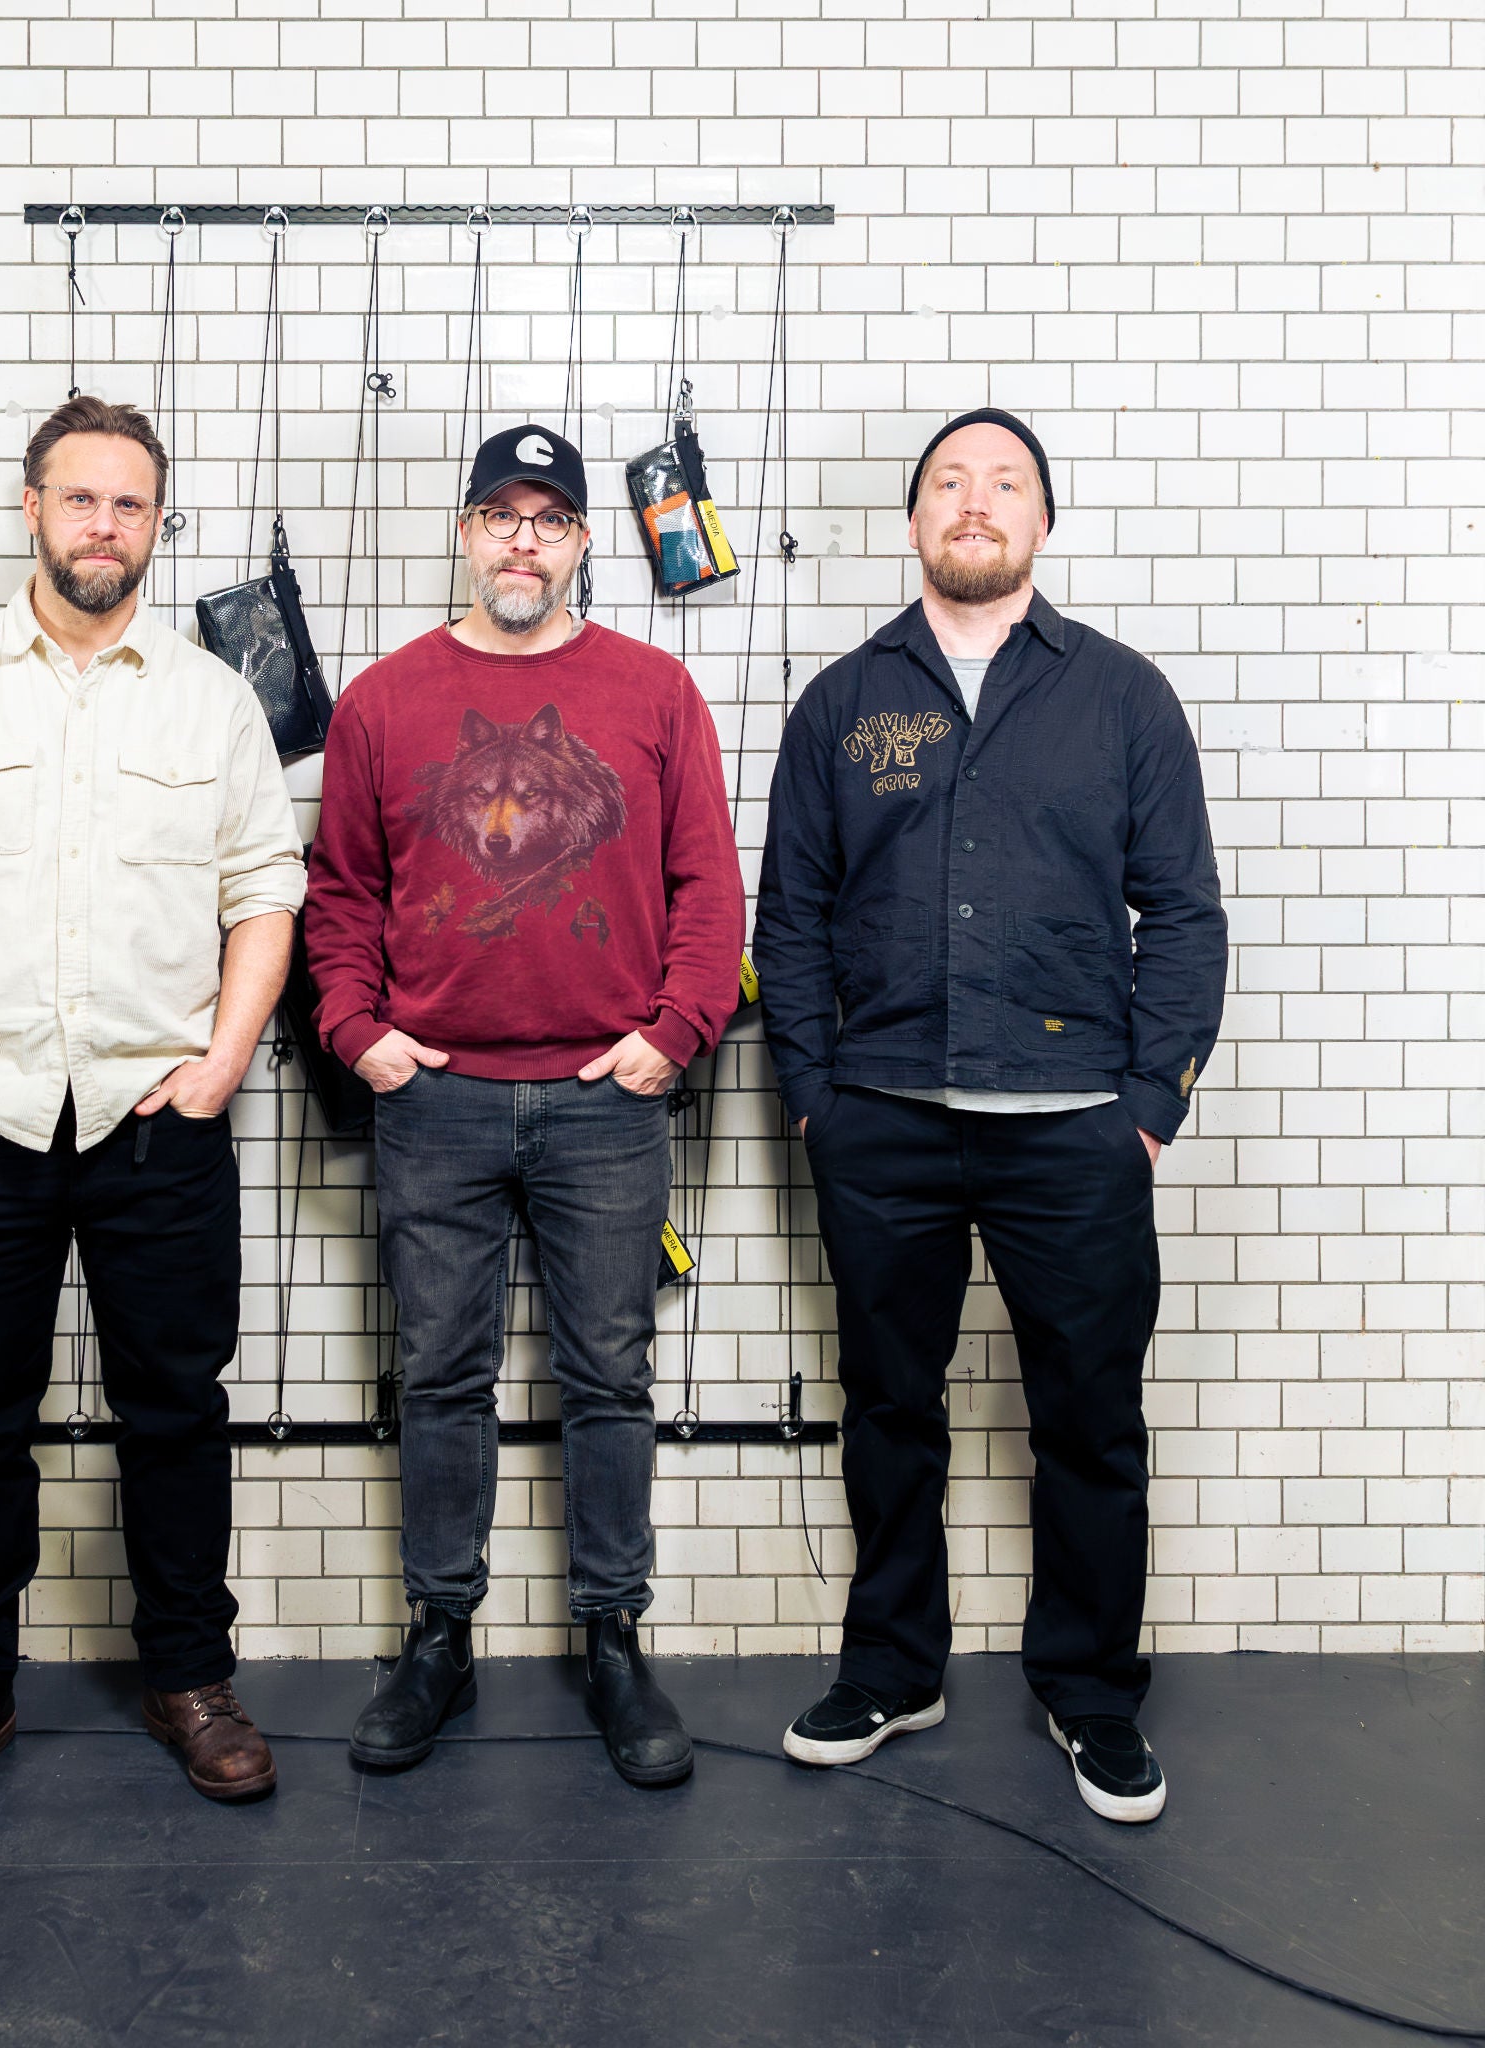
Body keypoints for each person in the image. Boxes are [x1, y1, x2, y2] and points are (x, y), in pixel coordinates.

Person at [0, 396, 306, 1824]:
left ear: (158, 525)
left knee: (178, 1414)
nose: (106, 525)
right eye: (82, 498)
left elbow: (265, 895)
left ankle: (192, 1678)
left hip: (161, 1121)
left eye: (131, 504)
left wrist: (219, 1067)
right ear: (31, 508)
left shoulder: (212, 700)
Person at [753, 409, 1227, 1824]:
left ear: (1042, 522)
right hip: (882, 1123)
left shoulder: (1123, 698)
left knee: (1089, 1418)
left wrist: (1147, 1105)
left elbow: (1185, 916)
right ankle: (894, 1667)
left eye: (1005, 482)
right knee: (889, 1408)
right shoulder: (844, 704)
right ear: (914, 522)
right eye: (950, 482)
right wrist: (815, 1100)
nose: (976, 501)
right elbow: (792, 918)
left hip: (1074, 1130)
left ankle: (1090, 1691)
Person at [304, 423, 746, 1787]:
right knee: (441, 1376)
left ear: (583, 544)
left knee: (609, 1376)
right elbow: (340, 894)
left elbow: (708, 886)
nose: (523, 542)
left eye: (549, 520)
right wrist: (359, 1033)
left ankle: (613, 1637)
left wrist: (673, 1034)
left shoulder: (654, 691)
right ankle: (439, 1633)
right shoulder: (382, 703)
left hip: (606, 1101)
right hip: (432, 1100)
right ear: (466, 533)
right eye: (502, 515)